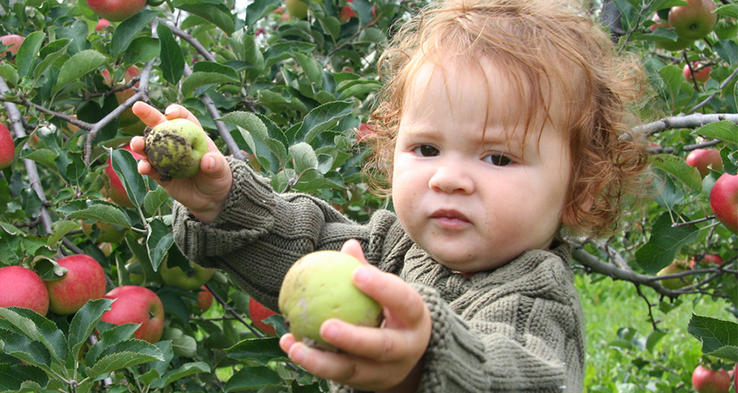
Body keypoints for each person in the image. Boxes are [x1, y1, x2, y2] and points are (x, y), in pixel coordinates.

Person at [129, 0, 649, 390]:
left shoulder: (537, 299)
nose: (449, 178)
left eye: (497, 158)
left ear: (579, 188)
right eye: (426, 148)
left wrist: (426, 358)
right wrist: (221, 202)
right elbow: (299, 252)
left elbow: (520, 373)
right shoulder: (393, 249)